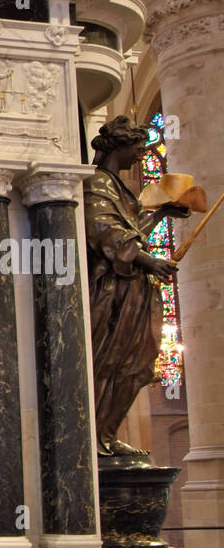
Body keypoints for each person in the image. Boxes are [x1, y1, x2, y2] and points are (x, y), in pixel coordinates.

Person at [84, 116, 192, 457]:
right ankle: (95, 436)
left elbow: (132, 231)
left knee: (139, 365)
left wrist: (162, 213)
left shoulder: (116, 184)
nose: (142, 155)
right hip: (111, 294)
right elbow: (105, 231)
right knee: (107, 362)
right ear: (120, 146)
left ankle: (108, 434)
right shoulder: (96, 183)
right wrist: (150, 261)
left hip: (134, 290)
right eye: (138, 148)